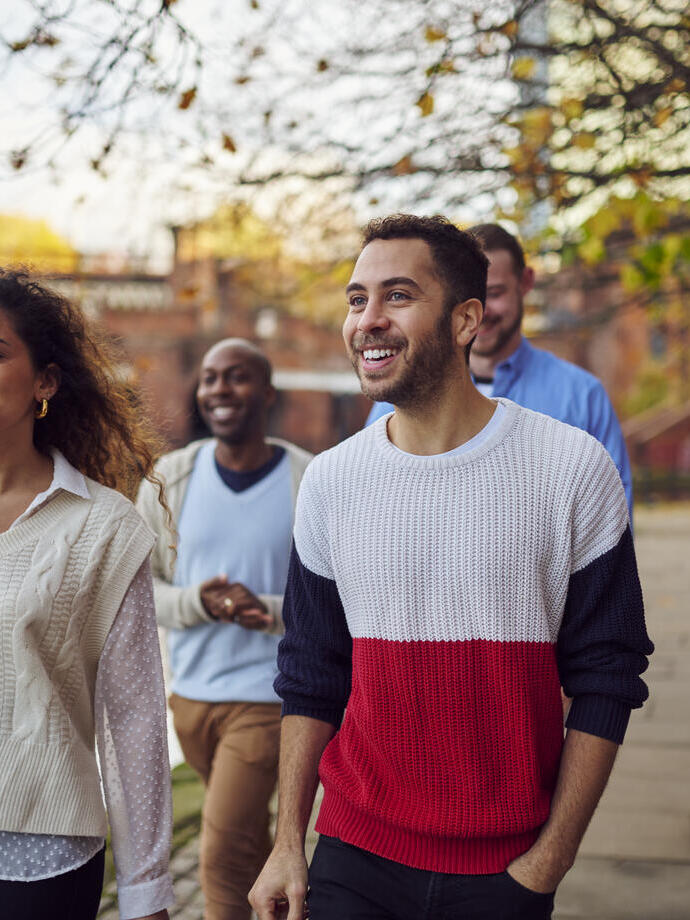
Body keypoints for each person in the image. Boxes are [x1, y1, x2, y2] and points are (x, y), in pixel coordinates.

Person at [248, 215, 653, 920]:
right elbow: (311, 671)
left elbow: (608, 674)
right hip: (353, 853)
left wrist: (546, 864)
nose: (367, 321)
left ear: (467, 318)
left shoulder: (570, 468)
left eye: (397, 296)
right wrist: (288, 842)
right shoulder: (331, 483)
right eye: (355, 299)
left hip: (504, 871)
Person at [0, 270, 173, 920]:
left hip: (42, 855)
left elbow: (132, 716)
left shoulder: (103, 527)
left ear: (44, 381)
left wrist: (147, 887)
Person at [137, 339, 312, 920]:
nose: (219, 390)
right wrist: (199, 603)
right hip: (189, 699)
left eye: (236, 377)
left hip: (267, 700)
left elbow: (337, 601)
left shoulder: (308, 480)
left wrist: (268, 610)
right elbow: (136, 594)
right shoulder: (170, 478)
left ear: (266, 393)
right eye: (210, 378)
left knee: (219, 854)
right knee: (248, 845)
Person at [365, 222, 634, 521]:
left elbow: (612, 523)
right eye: (469, 296)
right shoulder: (399, 397)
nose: (482, 310)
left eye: (494, 292)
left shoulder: (582, 396)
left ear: (526, 282)